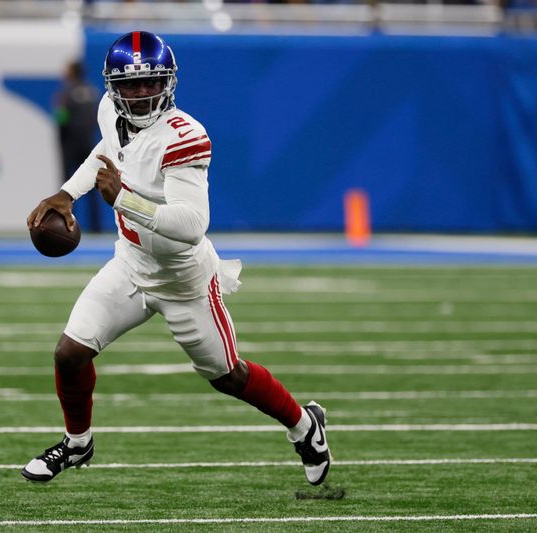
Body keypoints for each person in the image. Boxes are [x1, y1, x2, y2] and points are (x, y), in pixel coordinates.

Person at [23, 31, 331, 486]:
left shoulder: (184, 136)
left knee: (226, 375)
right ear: (113, 87)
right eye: (131, 84)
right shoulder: (110, 112)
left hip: (184, 281)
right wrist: (66, 194)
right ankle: (77, 443)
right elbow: (105, 154)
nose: (141, 92)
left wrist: (123, 200)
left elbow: (191, 226)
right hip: (130, 264)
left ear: (168, 83)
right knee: (70, 353)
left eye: (151, 82)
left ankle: (305, 427)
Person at [54, 61, 103, 232]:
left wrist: (61, 139)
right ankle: (96, 227)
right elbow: (98, 117)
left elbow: (61, 118)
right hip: (88, 143)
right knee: (91, 185)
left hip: (70, 145)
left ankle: (66, 226)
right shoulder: (92, 92)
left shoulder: (66, 93)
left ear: (71, 72)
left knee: (68, 188)